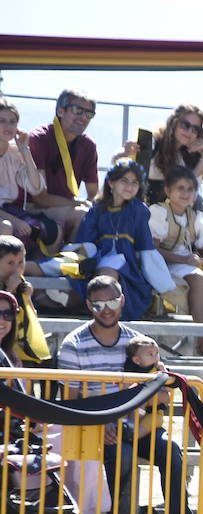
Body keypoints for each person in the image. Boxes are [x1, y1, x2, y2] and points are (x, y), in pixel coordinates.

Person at [56, 276, 141, 507]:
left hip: (135, 424)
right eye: (98, 305)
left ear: (122, 301)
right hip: (89, 424)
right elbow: (69, 402)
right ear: (88, 305)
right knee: (122, 455)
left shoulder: (138, 342)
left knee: (172, 454)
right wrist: (98, 423)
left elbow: (155, 389)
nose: (106, 310)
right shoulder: (73, 344)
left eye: (111, 302)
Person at [71, 159, 174, 320]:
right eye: (124, 181)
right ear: (111, 183)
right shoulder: (97, 209)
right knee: (53, 269)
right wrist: (87, 260)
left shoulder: (138, 210)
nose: (129, 186)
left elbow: (145, 247)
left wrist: (155, 274)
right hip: (96, 259)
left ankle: (104, 315)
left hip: (127, 264)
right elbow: (85, 240)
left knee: (108, 274)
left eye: (135, 183)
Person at [120, 335, 194, 514]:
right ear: (137, 359)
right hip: (116, 423)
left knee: (171, 450)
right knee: (121, 453)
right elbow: (129, 393)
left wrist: (145, 398)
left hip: (150, 424)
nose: (155, 356)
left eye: (156, 353)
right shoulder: (130, 367)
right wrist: (146, 398)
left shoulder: (158, 369)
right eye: (150, 354)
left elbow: (165, 395)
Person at [148, 166, 203, 355]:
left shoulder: (196, 218)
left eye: (190, 189)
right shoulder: (159, 212)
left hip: (182, 262)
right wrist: (183, 259)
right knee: (197, 278)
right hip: (158, 263)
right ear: (168, 191)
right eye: (180, 188)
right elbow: (151, 251)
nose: (185, 193)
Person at [26, 89, 99, 242]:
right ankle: (70, 259)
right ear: (60, 110)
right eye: (77, 110)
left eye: (89, 114)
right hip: (35, 207)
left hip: (66, 205)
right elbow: (39, 198)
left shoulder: (88, 145)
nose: (83, 117)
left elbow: (93, 193)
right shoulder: (39, 138)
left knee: (101, 216)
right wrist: (78, 203)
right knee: (84, 215)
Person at [122, 103, 203, 208]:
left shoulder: (189, 156)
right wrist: (125, 152)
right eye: (185, 125)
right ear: (174, 123)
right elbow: (122, 166)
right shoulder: (152, 144)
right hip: (140, 210)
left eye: (195, 129)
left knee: (198, 202)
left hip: (167, 215)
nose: (189, 132)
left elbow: (191, 193)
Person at [0, 95, 49, 253]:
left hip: (7, 210)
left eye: (12, 122)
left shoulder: (14, 154)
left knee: (49, 229)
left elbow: (35, 187)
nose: (8, 126)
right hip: (6, 217)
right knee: (7, 228)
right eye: (2, 121)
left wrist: (24, 150)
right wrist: (15, 221)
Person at [0, 235, 52, 366]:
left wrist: (28, 298)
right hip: (6, 348)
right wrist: (9, 291)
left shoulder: (22, 284)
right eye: (10, 263)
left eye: (21, 262)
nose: (17, 268)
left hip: (25, 348)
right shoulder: (9, 286)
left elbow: (32, 316)